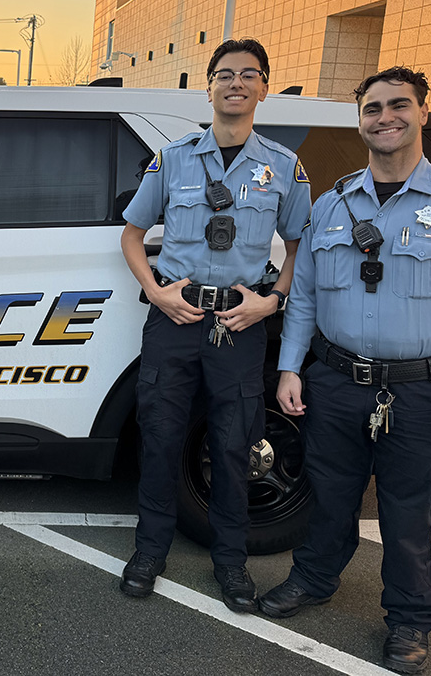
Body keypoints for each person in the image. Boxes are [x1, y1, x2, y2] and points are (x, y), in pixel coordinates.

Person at [259, 67, 431, 674]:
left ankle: (409, 619)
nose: (385, 117)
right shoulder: (331, 204)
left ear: (422, 113)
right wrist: (291, 368)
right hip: (337, 382)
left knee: (407, 513)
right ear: (361, 121)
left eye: (399, 105)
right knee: (330, 498)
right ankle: (314, 580)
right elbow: (308, 300)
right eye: (372, 108)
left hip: (420, 390)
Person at [118, 39, 310, 610]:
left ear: (263, 87)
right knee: (160, 440)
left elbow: (303, 246)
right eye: (224, 74)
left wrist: (271, 301)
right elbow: (132, 234)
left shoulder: (283, 167)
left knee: (234, 446)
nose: (236, 83)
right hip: (175, 320)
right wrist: (154, 291)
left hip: (240, 324)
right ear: (208, 87)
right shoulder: (173, 158)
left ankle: (231, 562)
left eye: (249, 74)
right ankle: (149, 552)